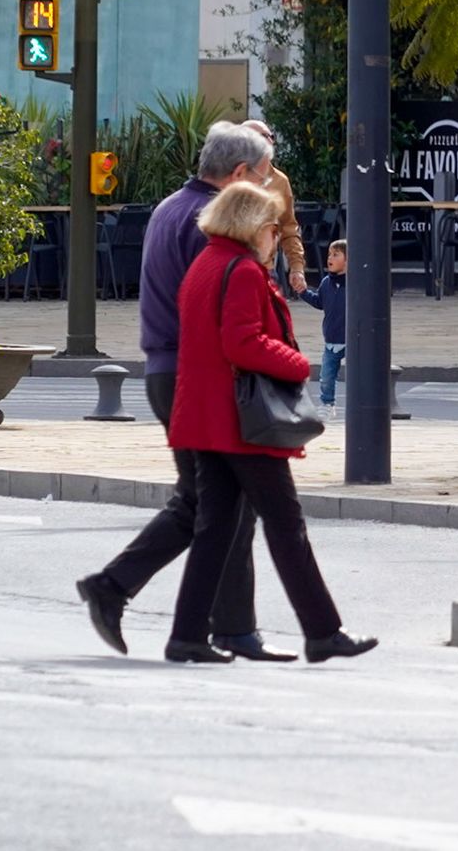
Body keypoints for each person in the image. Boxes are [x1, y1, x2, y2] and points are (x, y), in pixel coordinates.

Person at [75, 122, 299, 662]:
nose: (266, 193)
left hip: (166, 369)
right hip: (196, 374)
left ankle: (218, 623)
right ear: (241, 174)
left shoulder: (168, 207)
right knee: (220, 501)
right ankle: (147, 599)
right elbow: (221, 315)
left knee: (210, 499)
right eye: (263, 180)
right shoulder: (210, 225)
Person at [164, 182, 375, 664]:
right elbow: (242, 343)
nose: (277, 238)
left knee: (214, 528)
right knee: (285, 524)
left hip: (207, 418)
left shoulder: (206, 264)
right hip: (241, 423)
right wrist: (297, 364)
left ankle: (187, 635)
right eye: (274, 229)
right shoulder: (240, 271)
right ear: (254, 227)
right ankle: (323, 632)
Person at [240, 119, 307, 296]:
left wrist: (297, 267)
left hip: (265, 270)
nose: (270, 141)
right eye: (262, 136)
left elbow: (288, 227)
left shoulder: (280, 181)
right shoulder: (228, 175)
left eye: (271, 136)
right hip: (231, 267)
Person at [298, 238, 346, 421]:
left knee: (358, 375)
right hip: (331, 339)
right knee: (326, 377)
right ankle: (327, 404)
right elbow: (319, 302)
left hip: (351, 338)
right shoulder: (326, 282)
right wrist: (303, 292)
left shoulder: (355, 283)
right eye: (329, 255)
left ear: (348, 260)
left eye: (336, 255)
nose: (330, 258)